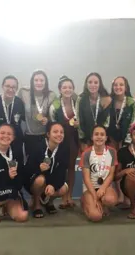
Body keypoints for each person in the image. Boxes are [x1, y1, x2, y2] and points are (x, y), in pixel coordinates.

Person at [24, 122, 69, 218]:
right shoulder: (37, 147)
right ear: (48, 134)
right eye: (55, 132)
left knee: (64, 188)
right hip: (35, 182)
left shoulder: (64, 149)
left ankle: (49, 202)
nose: (59, 134)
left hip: (50, 183)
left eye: (62, 132)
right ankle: (36, 204)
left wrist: (53, 185)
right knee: (40, 180)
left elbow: (62, 172)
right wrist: (38, 168)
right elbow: (27, 170)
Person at [49, 76, 79, 209]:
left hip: (73, 139)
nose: (67, 89)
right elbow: (52, 123)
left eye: (70, 87)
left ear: (73, 89)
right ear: (60, 90)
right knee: (61, 167)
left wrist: (80, 124)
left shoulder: (77, 102)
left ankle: (70, 197)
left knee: (72, 168)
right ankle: (62, 198)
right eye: (64, 87)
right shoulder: (54, 105)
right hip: (60, 140)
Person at [79, 125, 118, 222]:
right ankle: (85, 201)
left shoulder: (112, 152)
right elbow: (86, 179)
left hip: (105, 187)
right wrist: (95, 196)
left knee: (110, 200)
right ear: (92, 137)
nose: (99, 137)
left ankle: (103, 204)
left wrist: (103, 188)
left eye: (102, 134)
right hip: (90, 188)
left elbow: (111, 174)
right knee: (96, 217)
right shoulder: (86, 153)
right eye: (96, 134)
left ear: (106, 138)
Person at [17, 70, 57, 157]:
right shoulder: (24, 92)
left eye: (42, 80)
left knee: (44, 163)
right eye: (36, 80)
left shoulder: (52, 95)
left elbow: (56, 114)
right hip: (29, 135)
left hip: (45, 135)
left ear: (45, 82)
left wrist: (48, 119)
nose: (39, 83)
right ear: (32, 81)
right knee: (31, 164)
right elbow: (13, 100)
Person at [0, 75, 25, 153]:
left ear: (17, 89)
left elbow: (23, 119)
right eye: (7, 86)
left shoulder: (19, 102)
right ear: (2, 86)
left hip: (15, 145)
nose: (10, 89)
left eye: (14, 87)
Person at [76, 72, 112, 152]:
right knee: (87, 162)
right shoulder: (81, 99)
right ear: (86, 84)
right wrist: (83, 140)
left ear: (100, 84)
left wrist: (101, 136)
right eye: (90, 82)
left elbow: (107, 121)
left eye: (96, 82)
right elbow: (78, 119)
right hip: (86, 138)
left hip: (102, 138)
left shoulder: (106, 99)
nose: (93, 85)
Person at [107, 76, 135, 150]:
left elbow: (133, 124)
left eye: (121, 84)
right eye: (115, 85)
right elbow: (105, 122)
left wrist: (126, 144)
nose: (118, 87)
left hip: (127, 140)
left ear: (126, 87)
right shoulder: (108, 101)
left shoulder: (132, 103)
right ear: (112, 87)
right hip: (110, 139)